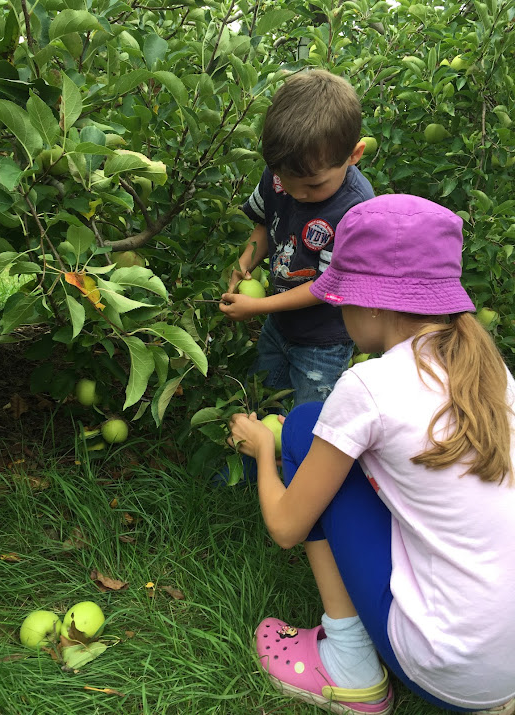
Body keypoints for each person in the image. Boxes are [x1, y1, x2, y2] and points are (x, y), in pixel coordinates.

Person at [227, 194, 515, 714]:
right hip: (505, 664)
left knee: (302, 428)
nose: (339, 312)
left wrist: (265, 450)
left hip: (451, 671)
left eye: (342, 298)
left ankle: (349, 666)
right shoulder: (491, 372)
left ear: (374, 302)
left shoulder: (370, 385)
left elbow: (286, 528)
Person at [219, 69, 375, 406]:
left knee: (310, 418)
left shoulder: (356, 210)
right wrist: (244, 263)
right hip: (279, 324)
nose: (296, 193)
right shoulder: (281, 174)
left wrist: (258, 307)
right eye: (285, 181)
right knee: (264, 398)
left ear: (354, 155)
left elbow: (328, 286)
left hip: (324, 341)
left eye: (313, 185)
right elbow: (265, 223)